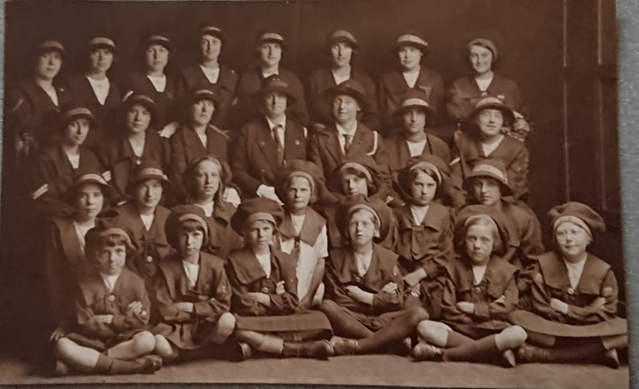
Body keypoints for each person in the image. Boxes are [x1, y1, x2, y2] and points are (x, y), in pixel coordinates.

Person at [509, 202, 628, 368]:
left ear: (589, 238)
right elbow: (541, 306)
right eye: (561, 233)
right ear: (555, 239)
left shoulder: (603, 270)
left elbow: (607, 313)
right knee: (518, 317)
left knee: (628, 329)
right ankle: (598, 351)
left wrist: (565, 309)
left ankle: (545, 354)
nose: (569, 239)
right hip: (552, 326)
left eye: (575, 232)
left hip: (591, 328)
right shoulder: (543, 264)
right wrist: (589, 311)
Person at [412, 205, 528, 367]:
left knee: (518, 333)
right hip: (461, 328)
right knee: (425, 327)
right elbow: (448, 308)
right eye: (472, 238)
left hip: (494, 329)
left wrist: (472, 309)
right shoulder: (454, 268)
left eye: (484, 240)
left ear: (495, 242)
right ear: (464, 239)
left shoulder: (507, 271)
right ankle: (493, 351)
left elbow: (508, 308)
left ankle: (447, 354)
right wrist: (485, 312)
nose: (477, 245)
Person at [318, 196, 430, 356]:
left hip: (384, 320)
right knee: (326, 306)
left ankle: (361, 345)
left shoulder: (389, 259)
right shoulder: (336, 258)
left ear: (376, 230)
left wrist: (365, 297)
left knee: (419, 313)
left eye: (365, 224)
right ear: (346, 230)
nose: (359, 229)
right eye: (353, 224)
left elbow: (396, 300)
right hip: (352, 318)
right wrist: (380, 297)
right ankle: (389, 343)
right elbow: (338, 298)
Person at [226, 198, 334, 359]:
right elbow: (244, 305)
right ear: (245, 233)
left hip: (280, 319)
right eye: (255, 230)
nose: (261, 235)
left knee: (321, 320)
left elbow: (292, 301)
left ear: (274, 230)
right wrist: (278, 300)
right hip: (252, 321)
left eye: (266, 229)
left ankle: (259, 346)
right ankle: (296, 348)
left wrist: (265, 299)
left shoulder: (284, 259)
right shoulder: (234, 261)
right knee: (238, 327)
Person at [50, 222, 162, 376]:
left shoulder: (136, 282)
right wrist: (124, 320)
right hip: (90, 341)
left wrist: (110, 319)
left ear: (127, 253)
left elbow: (141, 321)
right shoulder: (84, 285)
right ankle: (133, 367)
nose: (113, 259)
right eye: (105, 252)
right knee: (62, 345)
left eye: (119, 252)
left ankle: (84, 365)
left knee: (147, 340)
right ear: (95, 255)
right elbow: (85, 323)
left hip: (124, 341)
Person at [152, 206, 238, 363]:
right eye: (184, 235)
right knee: (158, 342)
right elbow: (164, 308)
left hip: (205, 326)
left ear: (204, 237)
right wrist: (204, 307)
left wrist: (194, 308)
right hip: (175, 328)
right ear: (176, 238)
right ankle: (196, 354)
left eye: (196, 235)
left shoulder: (216, 265)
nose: (189, 242)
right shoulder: (165, 267)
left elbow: (223, 303)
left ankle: (197, 352)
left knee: (228, 320)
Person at [463, 159, 544, 303]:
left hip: (510, 293)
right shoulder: (461, 216)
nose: (483, 191)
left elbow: (534, 264)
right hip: (468, 291)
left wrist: (515, 291)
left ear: (501, 188)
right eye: (478, 184)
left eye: (491, 184)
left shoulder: (523, 219)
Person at [44, 170, 116, 327]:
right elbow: (53, 278)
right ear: (74, 199)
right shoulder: (59, 228)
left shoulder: (110, 228)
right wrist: (64, 320)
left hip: (107, 306)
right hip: (71, 307)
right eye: (83, 195)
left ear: (103, 199)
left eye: (97, 195)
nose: (90, 202)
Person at [393, 155, 454, 319]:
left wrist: (420, 275)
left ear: (437, 187)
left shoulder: (443, 214)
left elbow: (446, 254)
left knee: (431, 310)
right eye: (419, 184)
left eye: (430, 185)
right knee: (396, 306)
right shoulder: (398, 214)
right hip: (402, 276)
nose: (424, 191)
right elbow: (389, 250)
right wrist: (403, 277)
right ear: (410, 185)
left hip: (433, 279)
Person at [231, 75, 308, 202]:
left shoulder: (300, 131)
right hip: (260, 198)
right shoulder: (249, 131)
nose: (275, 101)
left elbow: (308, 169)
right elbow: (237, 170)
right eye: (269, 96)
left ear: (287, 101)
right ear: (262, 101)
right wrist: (260, 188)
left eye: (280, 96)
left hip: (295, 199)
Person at [308, 79, 391, 191]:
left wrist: (369, 204)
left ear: (358, 107)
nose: (342, 107)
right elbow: (318, 182)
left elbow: (384, 181)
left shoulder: (373, 138)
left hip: (367, 204)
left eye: (348, 102)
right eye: (338, 101)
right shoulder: (319, 140)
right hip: (333, 203)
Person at [447, 36, 533, 143]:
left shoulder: (509, 87)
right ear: (469, 58)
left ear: (493, 57)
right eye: (474, 55)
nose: (479, 61)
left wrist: (521, 125)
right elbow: (456, 116)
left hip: (503, 146)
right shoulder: (459, 85)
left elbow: (523, 120)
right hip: (469, 144)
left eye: (484, 55)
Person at [449, 96, 529, 207]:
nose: (492, 120)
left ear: (503, 121)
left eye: (497, 116)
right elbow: (455, 181)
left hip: (504, 206)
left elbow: (515, 187)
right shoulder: (463, 143)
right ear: (476, 119)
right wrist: (462, 207)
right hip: (468, 205)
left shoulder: (516, 148)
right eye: (486, 114)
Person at [30, 104, 106, 219]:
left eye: (85, 125)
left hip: (87, 219)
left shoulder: (89, 156)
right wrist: (75, 213)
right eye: (73, 125)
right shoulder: (45, 157)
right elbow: (45, 200)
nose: (80, 131)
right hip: (57, 219)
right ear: (63, 126)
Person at [274, 160, 329, 308]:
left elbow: (319, 262)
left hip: (306, 287)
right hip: (277, 288)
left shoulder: (319, 223)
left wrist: (309, 295)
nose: (298, 195)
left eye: (304, 190)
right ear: (285, 191)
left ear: (312, 193)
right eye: (293, 189)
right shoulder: (275, 219)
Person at [6, 39, 72, 159]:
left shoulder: (64, 91)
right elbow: (20, 128)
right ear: (35, 59)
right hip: (33, 157)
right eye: (45, 56)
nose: (51, 63)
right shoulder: (19, 91)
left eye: (57, 58)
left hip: (63, 156)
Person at [111, 162, 173, 289]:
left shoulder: (170, 217)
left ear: (162, 189)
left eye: (156, 186)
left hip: (164, 288)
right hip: (127, 287)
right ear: (134, 189)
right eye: (143, 187)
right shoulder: (118, 216)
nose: (150, 194)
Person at [98, 93, 171, 201]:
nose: (138, 118)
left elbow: (169, 180)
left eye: (145, 113)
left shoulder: (161, 145)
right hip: (119, 206)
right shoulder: (107, 148)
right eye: (132, 111)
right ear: (124, 114)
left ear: (151, 117)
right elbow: (106, 186)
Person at [306, 29, 379, 133]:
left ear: (352, 50)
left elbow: (373, 118)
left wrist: (357, 134)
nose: (341, 53)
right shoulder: (315, 79)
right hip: (323, 137)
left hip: (357, 140)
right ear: (328, 50)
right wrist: (316, 127)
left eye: (346, 47)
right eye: (335, 47)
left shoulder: (365, 81)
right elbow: (304, 114)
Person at [234, 29, 308, 129]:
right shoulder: (247, 79)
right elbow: (240, 115)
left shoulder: (292, 80)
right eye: (266, 47)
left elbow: (300, 116)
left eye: (276, 47)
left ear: (282, 52)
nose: (271, 52)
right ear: (258, 51)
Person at [169, 86, 231, 202]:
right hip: (189, 200)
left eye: (210, 105)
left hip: (218, 199)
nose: (205, 110)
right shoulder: (178, 139)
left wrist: (230, 189)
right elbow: (177, 176)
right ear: (189, 108)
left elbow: (226, 173)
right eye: (199, 103)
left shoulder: (220, 139)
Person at [323, 156, 398, 250]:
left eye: (356, 180)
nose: (351, 186)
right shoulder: (331, 213)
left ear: (368, 182)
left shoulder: (385, 212)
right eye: (346, 182)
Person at [384, 89, 451, 195]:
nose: (414, 119)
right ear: (401, 117)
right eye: (408, 113)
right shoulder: (387, 146)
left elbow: (445, 185)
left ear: (426, 117)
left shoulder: (440, 147)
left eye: (419, 113)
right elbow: (385, 184)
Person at [379, 33, 445, 135]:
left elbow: (437, 115)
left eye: (412, 50)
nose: (407, 55)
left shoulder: (433, 78)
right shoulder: (387, 79)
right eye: (402, 51)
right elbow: (384, 115)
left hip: (428, 135)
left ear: (421, 53)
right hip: (395, 136)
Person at [176, 23, 238, 130]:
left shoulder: (232, 75)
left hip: (227, 136)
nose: (210, 47)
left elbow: (237, 110)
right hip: (196, 134)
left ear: (221, 45)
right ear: (199, 45)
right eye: (205, 42)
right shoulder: (187, 74)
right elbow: (181, 109)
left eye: (215, 42)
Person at [181, 156, 243, 259]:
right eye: (201, 175)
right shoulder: (180, 213)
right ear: (192, 180)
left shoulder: (232, 213)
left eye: (214, 175)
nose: (208, 181)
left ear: (220, 179)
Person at [66, 36, 122, 148]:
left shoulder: (116, 89)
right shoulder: (72, 84)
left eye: (107, 53)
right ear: (88, 55)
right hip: (80, 150)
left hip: (110, 152)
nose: (102, 59)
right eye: (96, 53)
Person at [123, 31, 178, 135]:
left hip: (168, 137)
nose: (157, 56)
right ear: (144, 54)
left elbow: (178, 113)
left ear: (168, 55)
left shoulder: (173, 83)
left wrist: (171, 127)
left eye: (162, 51)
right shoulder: (133, 80)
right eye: (151, 51)